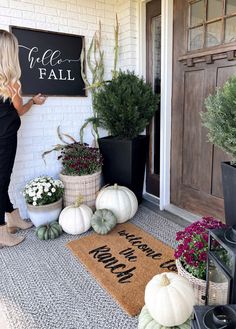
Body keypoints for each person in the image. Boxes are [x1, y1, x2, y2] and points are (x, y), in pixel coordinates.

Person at [0, 30, 46, 247]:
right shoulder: (12, 85)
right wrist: (33, 103)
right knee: (1, 181)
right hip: (5, 139)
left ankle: (13, 218)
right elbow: (18, 111)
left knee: (2, 179)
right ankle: (2, 233)